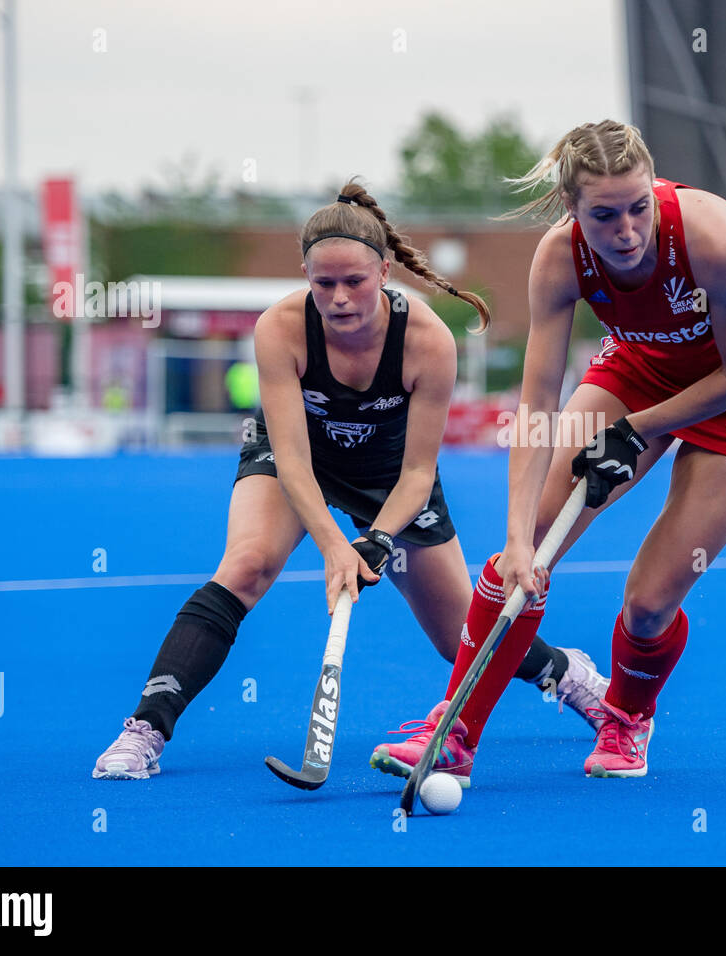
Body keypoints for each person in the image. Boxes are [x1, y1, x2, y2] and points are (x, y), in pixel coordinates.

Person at [93, 181, 609, 780]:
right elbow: (290, 461)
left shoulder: (428, 342)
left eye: (355, 282)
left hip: (390, 475)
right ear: (305, 277)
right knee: (246, 565)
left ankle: (568, 674)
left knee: (457, 637)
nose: (339, 299)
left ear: (385, 271)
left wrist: (378, 540)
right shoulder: (279, 329)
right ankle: (146, 731)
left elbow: (418, 472)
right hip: (299, 458)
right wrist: (336, 548)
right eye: (323, 284)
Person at [371, 120, 726, 786]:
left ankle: (629, 717)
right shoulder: (559, 258)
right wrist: (519, 538)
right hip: (643, 362)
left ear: (655, 189)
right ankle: (455, 732)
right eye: (604, 216)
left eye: (638, 208)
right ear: (572, 210)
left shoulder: (712, 235)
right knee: (526, 549)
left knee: (649, 601)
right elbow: (537, 407)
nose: (627, 232)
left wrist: (637, 430)